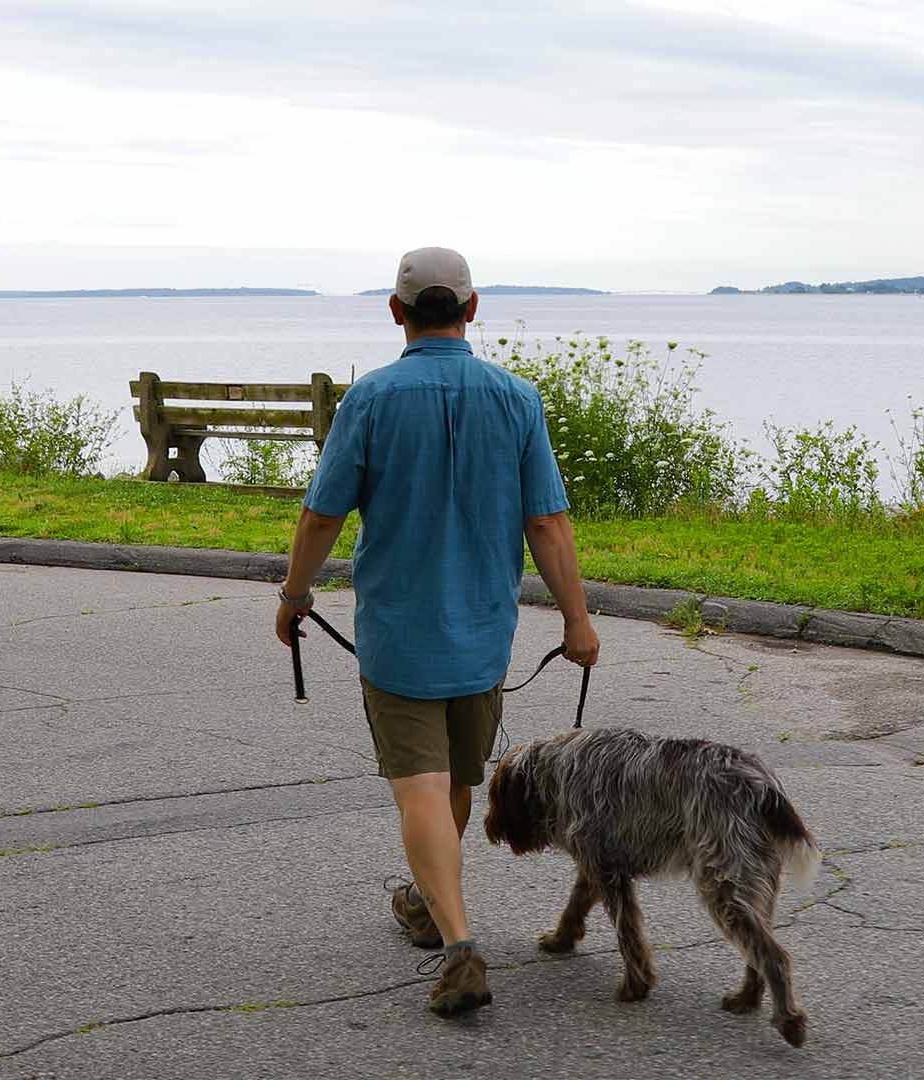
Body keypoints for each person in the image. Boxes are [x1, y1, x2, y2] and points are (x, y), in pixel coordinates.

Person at [274, 247, 600, 1017]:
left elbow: (323, 513)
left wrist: (294, 594)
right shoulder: (518, 399)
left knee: (420, 789)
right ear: (473, 308)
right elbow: (547, 522)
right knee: (454, 783)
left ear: (396, 312)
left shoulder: (373, 399)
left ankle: (458, 946)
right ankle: (429, 907)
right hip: (483, 634)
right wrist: (579, 621)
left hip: (398, 633)